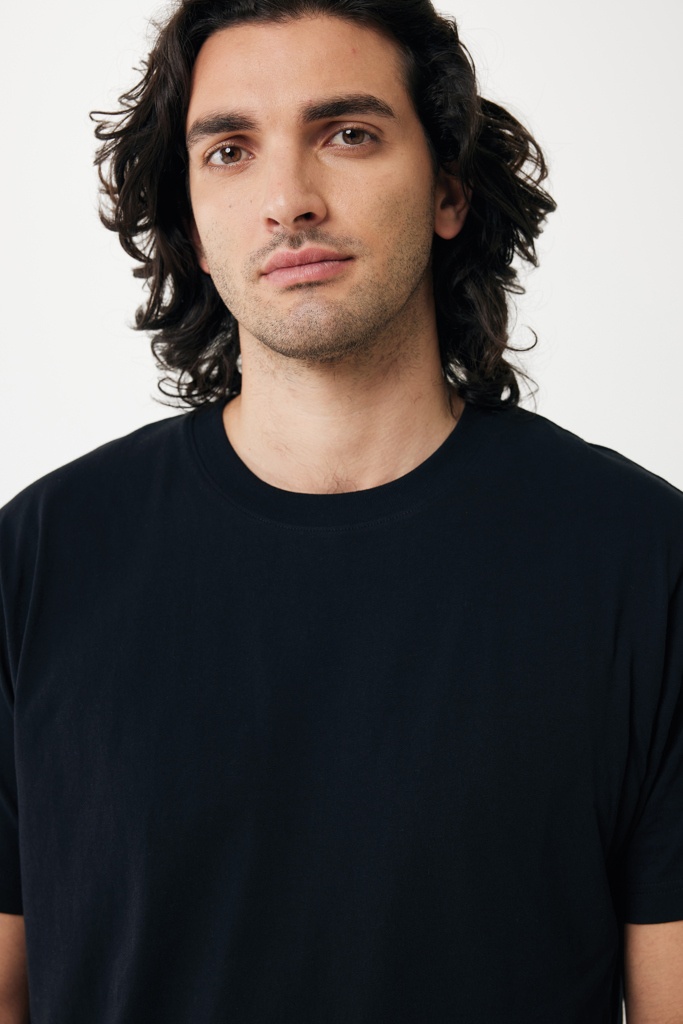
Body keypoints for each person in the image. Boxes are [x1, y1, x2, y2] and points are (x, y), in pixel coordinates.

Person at [0, 0, 681, 1020]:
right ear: (193, 225)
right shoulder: (37, 560)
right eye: (229, 151)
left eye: (347, 133)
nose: (288, 200)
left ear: (448, 189)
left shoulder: (641, 560)